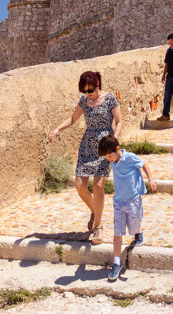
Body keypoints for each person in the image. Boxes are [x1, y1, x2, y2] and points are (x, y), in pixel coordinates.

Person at [48, 71, 121, 245]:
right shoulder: (84, 101)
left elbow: (119, 121)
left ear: (97, 85)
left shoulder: (110, 98)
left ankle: (98, 227)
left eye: (91, 91)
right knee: (80, 186)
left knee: (98, 186)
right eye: (85, 91)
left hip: (104, 145)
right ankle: (95, 210)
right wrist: (58, 128)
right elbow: (73, 119)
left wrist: (114, 142)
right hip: (87, 145)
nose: (88, 94)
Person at [97, 134, 157, 282]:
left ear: (118, 149)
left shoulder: (130, 158)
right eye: (107, 157)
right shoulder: (112, 160)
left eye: (110, 156)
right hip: (118, 201)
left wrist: (150, 180)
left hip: (134, 200)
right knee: (118, 232)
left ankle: (138, 231)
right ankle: (116, 262)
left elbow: (144, 165)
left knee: (134, 224)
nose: (109, 159)